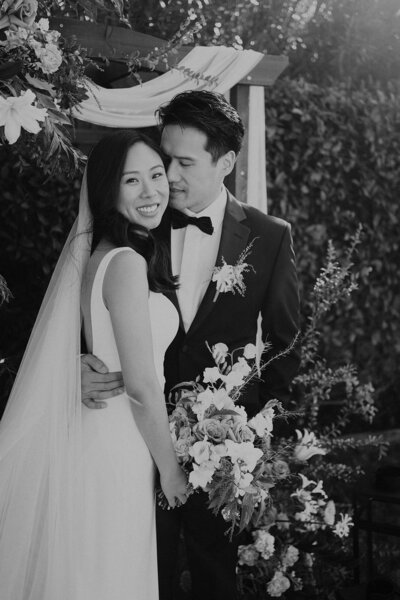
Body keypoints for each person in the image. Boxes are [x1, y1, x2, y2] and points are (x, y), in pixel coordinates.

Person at [82, 91, 300, 600]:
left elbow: (285, 348)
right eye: (164, 160)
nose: (168, 177)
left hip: (219, 457)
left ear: (225, 163)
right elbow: (94, 312)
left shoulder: (269, 237)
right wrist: (79, 363)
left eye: (183, 163)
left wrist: (246, 438)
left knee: (215, 581)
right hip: (130, 445)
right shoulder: (135, 222)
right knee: (135, 576)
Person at [0, 130, 187, 600]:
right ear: (108, 191)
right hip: (119, 442)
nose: (151, 191)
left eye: (156, 175)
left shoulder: (101, 256)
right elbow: (142, 385)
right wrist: (171, 470)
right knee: (110, 574)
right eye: (132, 181)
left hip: (102, 433)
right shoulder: (124, 263)